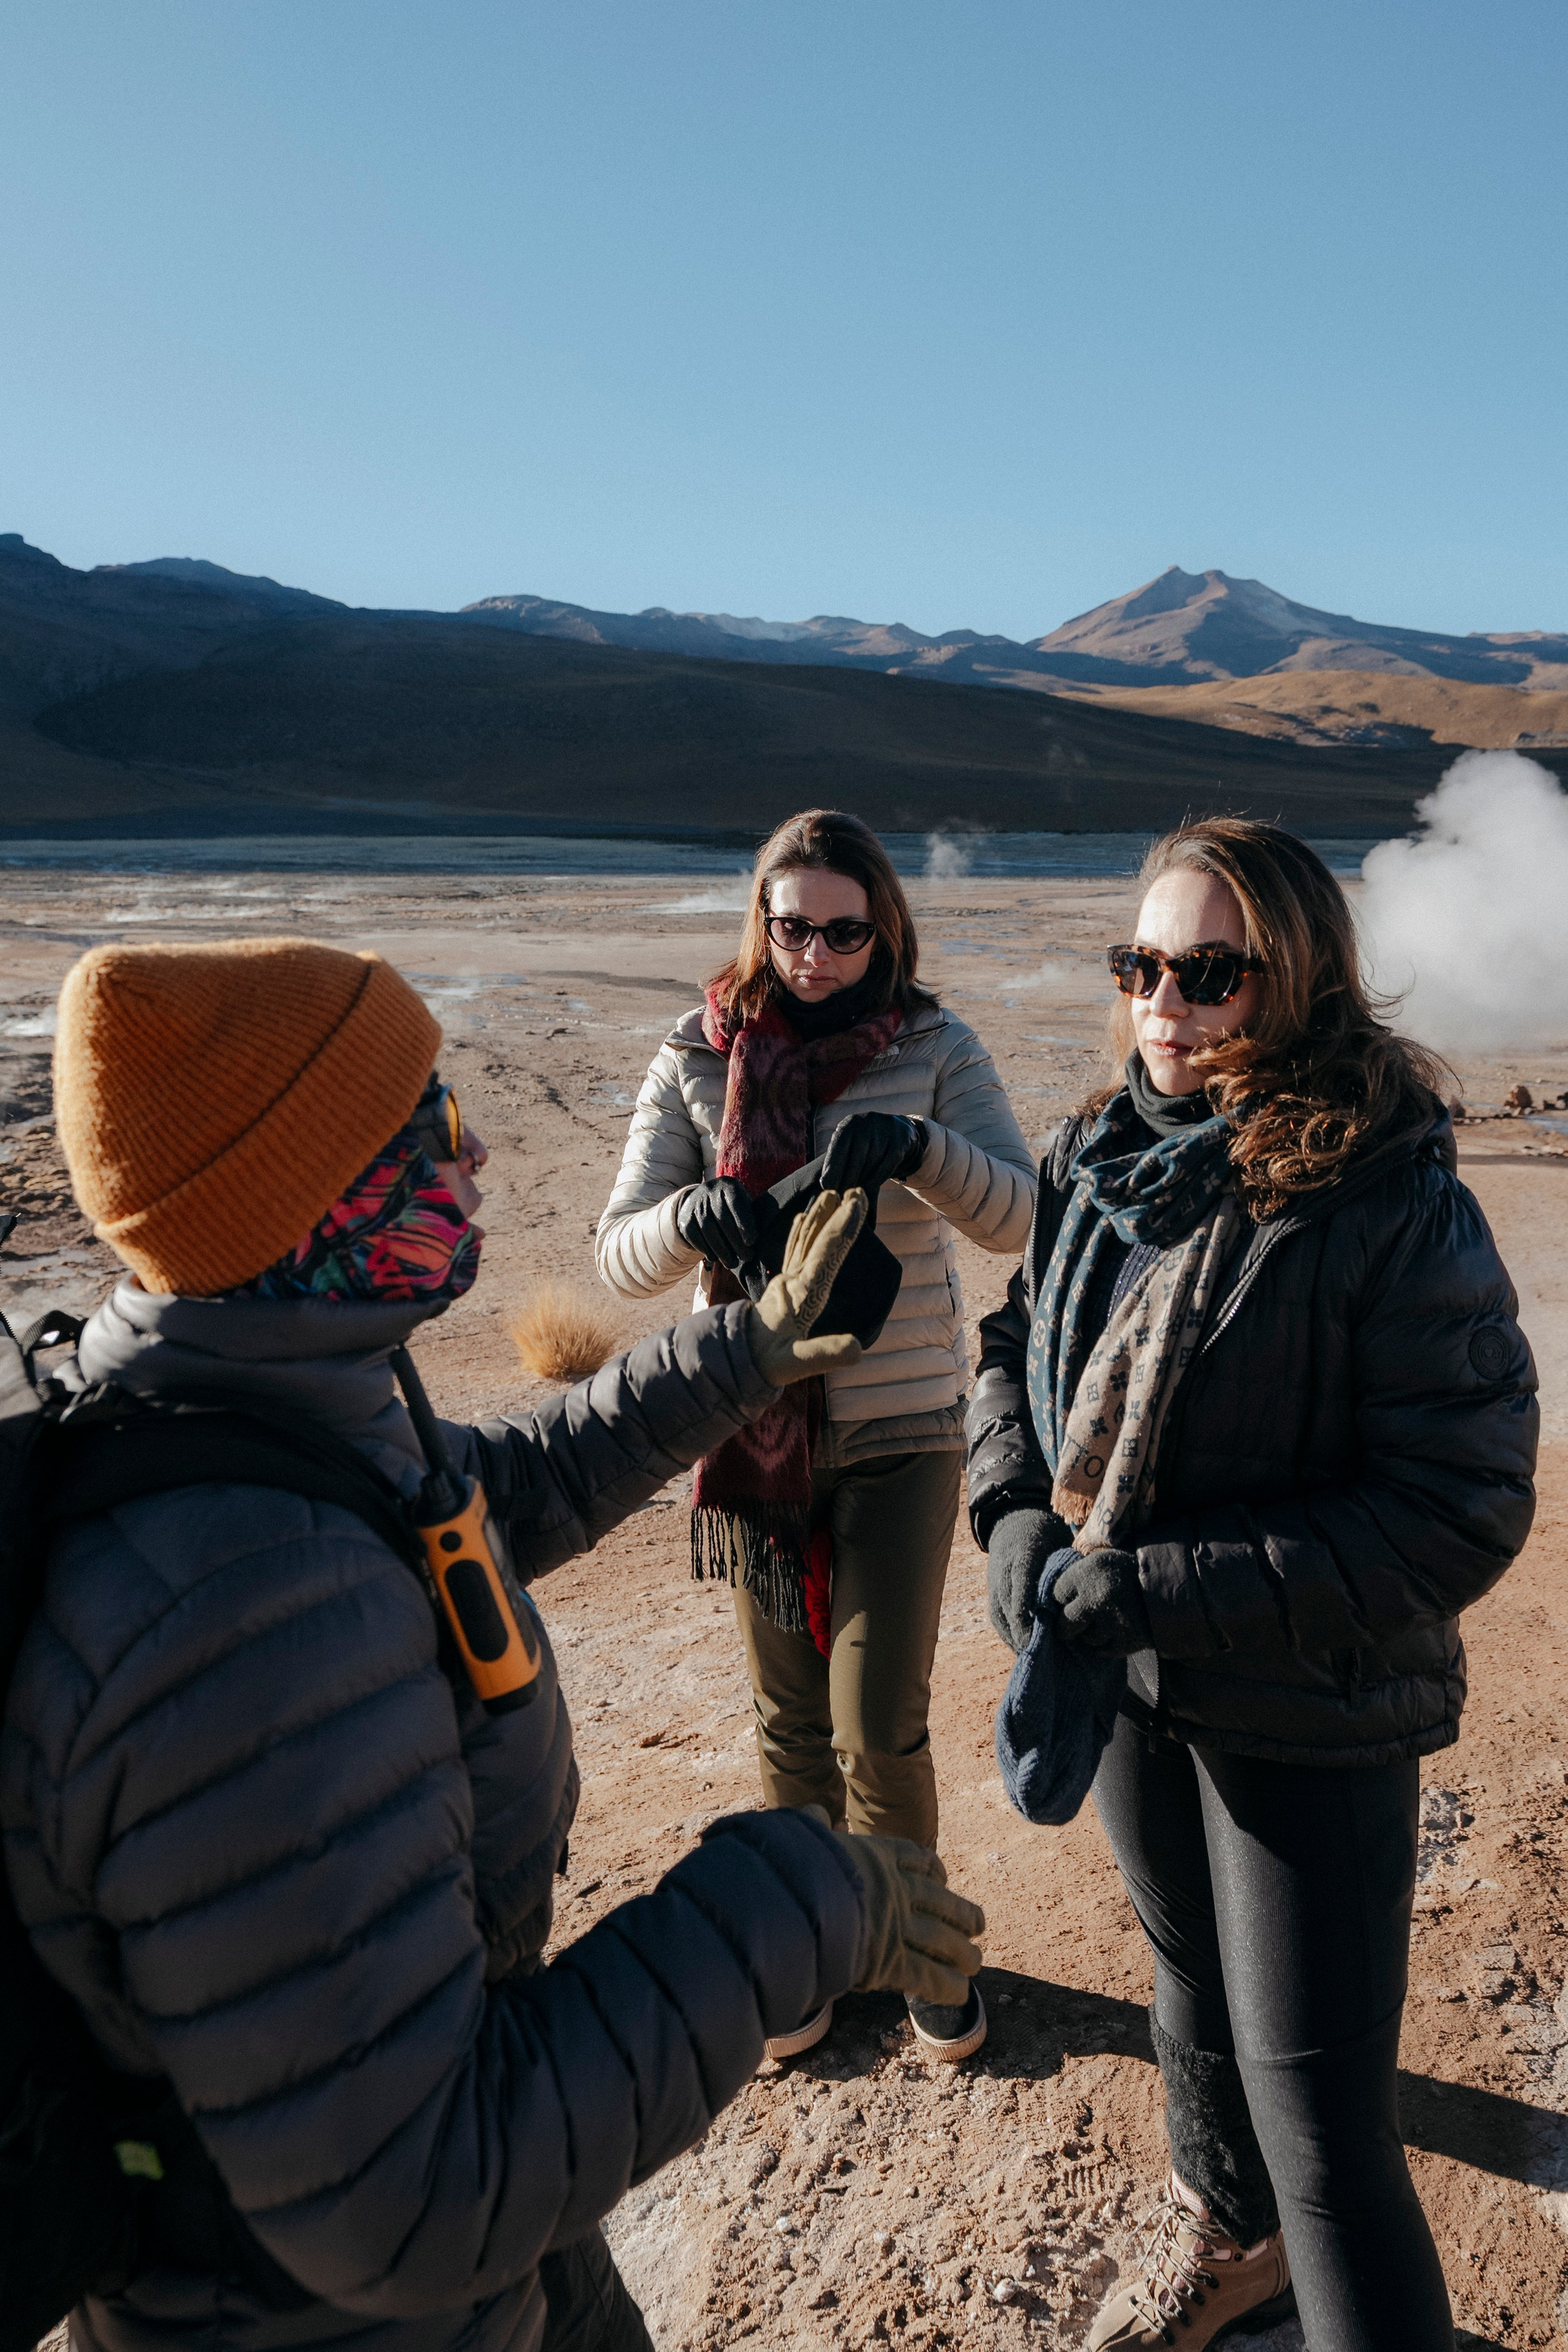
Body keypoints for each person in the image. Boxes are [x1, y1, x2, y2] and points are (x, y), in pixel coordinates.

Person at [1, 935, 985, 2352]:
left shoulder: (243, 1388)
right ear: (312, 1198)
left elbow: (478, 1503)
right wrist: (791, 1907)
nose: (474, 1168)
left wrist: (746, 1352)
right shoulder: (252, 1622)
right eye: (433, 1134)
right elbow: (412, 2199)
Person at [965, 821, 1537, 2352]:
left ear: (1293, 983)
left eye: (1206, 971)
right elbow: (1014, 1348)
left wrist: (1148, 1587)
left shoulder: (1377, 1196)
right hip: (1129, 1680)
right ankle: (1230, 2248)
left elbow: (1455, 1508)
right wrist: (1010, 1510)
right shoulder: (1095, 1153)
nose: (1164, 1001)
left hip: (1307, 1703)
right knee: (1187, 2001)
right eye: (1141, 964)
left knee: (1325, 2134)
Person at [597, 809, 1035, 2064]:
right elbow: (619, 1254)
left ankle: (919, 1951)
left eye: (846, 931)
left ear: (882, 928)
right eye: (795, 927)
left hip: (902, 1430)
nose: (819, 955)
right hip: (748, 1433)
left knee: (874, 1724)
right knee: (785, 1723)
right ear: (762, 921)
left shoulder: (934, 1046)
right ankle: (807, 1950)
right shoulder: (692, 1057)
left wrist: (921, 1150)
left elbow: (1017, 1217)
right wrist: (699, 1213)